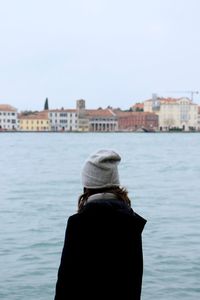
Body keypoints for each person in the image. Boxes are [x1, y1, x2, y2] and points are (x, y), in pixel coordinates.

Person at [54, 149, 147, 300]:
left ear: (87, 185)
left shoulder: (79, 223)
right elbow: (133, 280)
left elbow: (66, 282)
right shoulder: (131, 220)